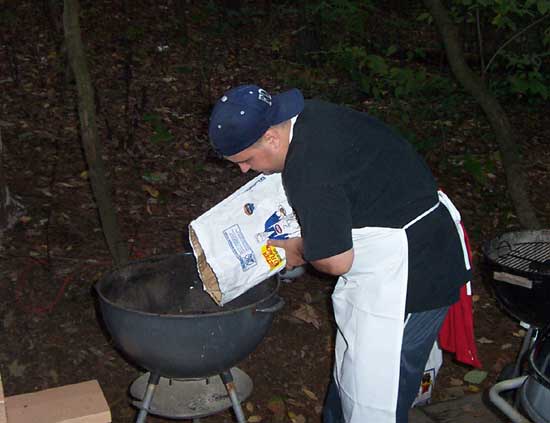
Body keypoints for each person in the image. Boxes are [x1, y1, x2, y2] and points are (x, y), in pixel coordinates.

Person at [207, 84, 473, 423]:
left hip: (413, 273)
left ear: (272, 138)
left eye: (245, 160)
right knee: (354, 376)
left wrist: (297, 251)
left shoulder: (308, 168)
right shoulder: (307, 118)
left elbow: (335, 260)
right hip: (397, 243)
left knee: (382, 393)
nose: (244, 170)